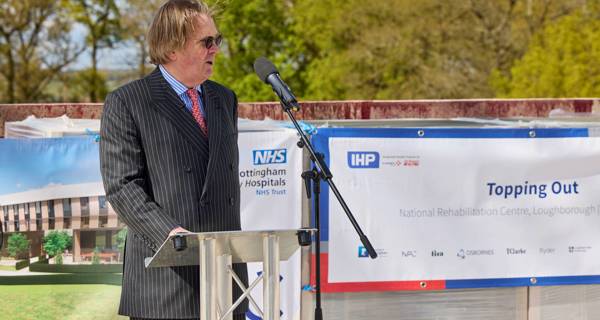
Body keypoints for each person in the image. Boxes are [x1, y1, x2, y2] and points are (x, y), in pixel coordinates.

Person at [99, 0, 248, 319]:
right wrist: (172, 235)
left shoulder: (225, 99)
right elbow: (122, 186)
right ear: (171, 48)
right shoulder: (128, 102)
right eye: (206, 42)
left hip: (225, 278)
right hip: (165, 280)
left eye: (216, 40)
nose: (215, 50)